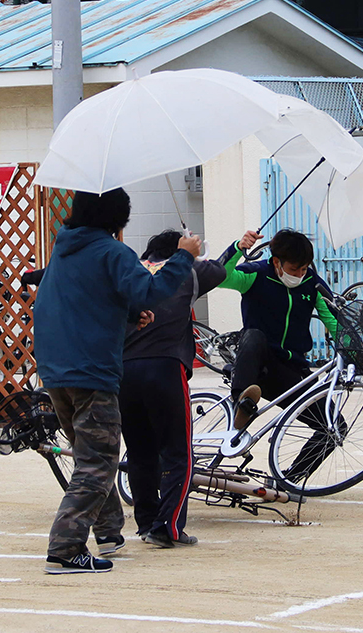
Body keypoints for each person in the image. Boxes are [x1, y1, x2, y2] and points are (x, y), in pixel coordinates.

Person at [33, 189, 200, 574]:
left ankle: (108, 532)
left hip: (56, 371)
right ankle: (64, 548)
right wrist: (184, 255)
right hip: (92, 372)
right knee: (98, 463)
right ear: (117, 216)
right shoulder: (112, 251)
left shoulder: (64, 250)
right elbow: (153, 291)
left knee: (90, 458)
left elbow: (84, 303)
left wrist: (128, 316)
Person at [119, 229, 227, 549]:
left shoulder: (128, 273)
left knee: (140, 452)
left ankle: (147, 522)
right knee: (178, 452)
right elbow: (220, 269)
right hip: (165, 368)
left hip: (124, 372)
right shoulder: (189, 272)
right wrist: (199, 250)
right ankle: (169, 527)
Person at [218, 228, 340, 482]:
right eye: (295, 269)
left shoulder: (311, 284)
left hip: (291, 371)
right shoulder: (255, 275)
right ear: (277, 262)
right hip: (256, 367)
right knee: (253, 335)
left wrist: (355, 347)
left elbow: (333, 320)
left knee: (334, 427)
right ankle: (242, 402)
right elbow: (220, 276)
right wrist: (237, 248)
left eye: (305, 268)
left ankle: (289, 480)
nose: (300, 274)